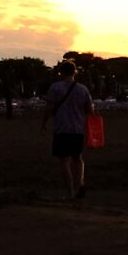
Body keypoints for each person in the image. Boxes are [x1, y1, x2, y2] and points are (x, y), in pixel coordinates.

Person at [44, 60, 93, 200]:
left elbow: (48, 108)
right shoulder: (83, 89)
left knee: (64, 161)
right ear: (74, 72)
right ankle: (80, 184)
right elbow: (90, 110)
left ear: (61, 72)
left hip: (62, 128)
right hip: (78, 129)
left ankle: (70, 192)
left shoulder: (55, 87)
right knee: (78, 158)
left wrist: (44, 123)